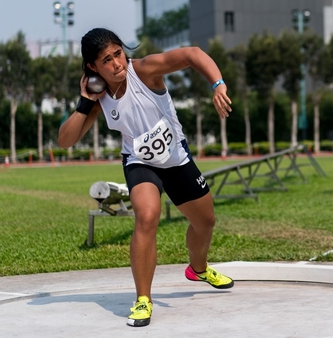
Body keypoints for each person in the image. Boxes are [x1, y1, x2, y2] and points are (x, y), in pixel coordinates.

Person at [58, 28, 234, 327]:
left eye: (118, 54)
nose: (117, 63)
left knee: (205, 223)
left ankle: (198, 269)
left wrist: (218, 84)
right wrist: (85, 102)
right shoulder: (99, 98)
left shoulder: (144, 70)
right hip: (139, 162)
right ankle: (143, 299)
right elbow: (65, 140)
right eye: (106, 60)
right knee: (147, 216)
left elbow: (192, 54)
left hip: (176, 160)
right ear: (92, 67)